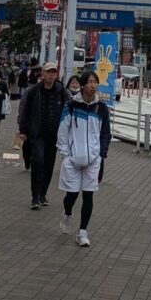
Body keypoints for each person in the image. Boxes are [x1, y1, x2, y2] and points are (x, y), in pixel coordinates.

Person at [57, 71, 111, 247]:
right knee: (71, 195)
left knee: (88, 196)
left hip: (93, 160)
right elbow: (63, 132)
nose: (93, 85)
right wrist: (67, 153)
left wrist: (101, 154)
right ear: (82, 85)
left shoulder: (101, 108)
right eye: (89, 82)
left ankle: (82, 231)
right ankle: (67, 213)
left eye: (95, 82)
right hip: (73, 159)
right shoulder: (71, 106)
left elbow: (105, 134)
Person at [18, 61, 68, 210]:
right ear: (43, 74)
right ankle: (34, 196)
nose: (51, 75)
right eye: (48, 72)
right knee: (38, 162)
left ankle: (42, 194)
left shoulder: (61, 91)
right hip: (37, 134)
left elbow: (70, 106)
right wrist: (22, 130)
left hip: (54, 135)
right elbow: (24, 110)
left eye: (53, 72)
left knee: (49, 165)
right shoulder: (33, 91)